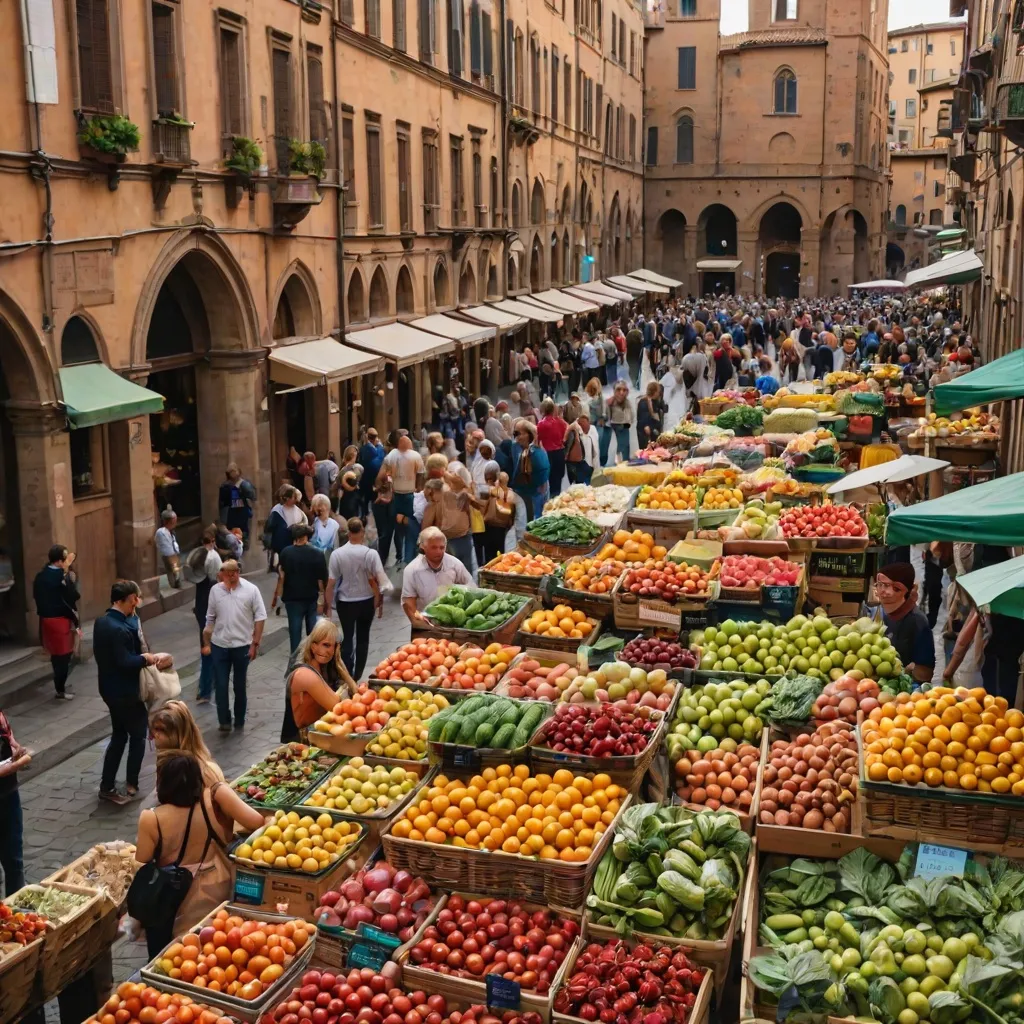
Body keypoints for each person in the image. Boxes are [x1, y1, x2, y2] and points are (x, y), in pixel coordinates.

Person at [134, 753, 265, 959]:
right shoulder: (210, 801)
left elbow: (143, 857)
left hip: (174, 896)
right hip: (216, 884)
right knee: (218, 947)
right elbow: (257, 822)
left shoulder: (151, 818)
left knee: (180, 955)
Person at [94, 580, 170, 805]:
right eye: (132, 600)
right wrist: (144, 659)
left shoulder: (102, 622)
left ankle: (107, 784)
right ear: (120, 601)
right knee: (137, 736)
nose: (136, 603)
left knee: (118, 735)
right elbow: (124, 661)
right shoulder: (118, 629)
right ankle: (131, 783)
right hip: (126, 692)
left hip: (109, 689)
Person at [202, 560, 267, 733]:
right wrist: (206, 641)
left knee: (239, 685)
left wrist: (255, 643)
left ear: (239, 572)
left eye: (235, 573)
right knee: (221, 685)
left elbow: (260, 617)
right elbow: (210, 617)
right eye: (228, 574)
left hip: (242, 646)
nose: (232, 577)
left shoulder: (251, 590)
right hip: (219, 645)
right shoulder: (215, 591)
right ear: (221, 574)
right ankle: (224, 720)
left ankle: (239, 718)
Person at [325, 518, 392, 679]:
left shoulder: (337, 554)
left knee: (347, 636)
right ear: (362, 532)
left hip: (345, 602)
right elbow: (381, 580)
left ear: (348, 533)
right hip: (366, 600)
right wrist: (379, 600)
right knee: (363, 638)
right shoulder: (371, 554)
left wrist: (328, 605)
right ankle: (358, 674)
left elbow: (331, 583)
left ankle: (347, 670)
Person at [281, 619, 355, 742]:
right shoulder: (304, 674)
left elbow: (353, 693)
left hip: (318, 736)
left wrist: (338, 664)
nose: (328, 651)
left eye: (333, 646)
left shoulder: (326, 667)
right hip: (301, 744)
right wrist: (339, 665)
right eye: (325, 644)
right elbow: (338, 707)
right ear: (313, 647)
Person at [874, 563, 935, 685]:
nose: (883, 591)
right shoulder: (879, 612)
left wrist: (905, 673)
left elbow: (925, 672)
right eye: (880, 585)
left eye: (889, 586)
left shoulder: (917, 621)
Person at [401, 527, 473, 629]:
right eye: (433, 547)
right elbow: (408, 601)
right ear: (423, 547)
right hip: (426, 623)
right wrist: (417, 620)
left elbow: (471, 586)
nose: (439, 551)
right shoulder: (412, 570)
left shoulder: (454, 564)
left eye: (442, 547)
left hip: (454, 622)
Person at [33, 544, 80, 701]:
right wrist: (67, 575)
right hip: (60, 619)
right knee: (64, 656)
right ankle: (60, 688)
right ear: (60, 561)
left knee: (56, 655)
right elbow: (73, 596)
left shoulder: (40, 576)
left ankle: (60, 685)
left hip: (46, 619)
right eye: (66, 558)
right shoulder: (60, 577)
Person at [272, 524, 328, 652]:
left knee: (295, 635)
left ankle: (295, 663)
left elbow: (282, 576)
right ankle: (312, 661)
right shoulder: (317, 554)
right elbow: (321, 580)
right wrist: (322, 599)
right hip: (311, 598)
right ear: (306, 536)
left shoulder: (286, 553)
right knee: (313, 635)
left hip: (292, 599)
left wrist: (277, 596)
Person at [183, 528, 222, 704]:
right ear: (212, 540)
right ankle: (207, 687)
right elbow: (216, 579)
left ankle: (205, 686)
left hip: (201, 603)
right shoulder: (214, 557)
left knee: (205, 646)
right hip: (209, 603)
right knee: (210, 648)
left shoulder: (197, 556)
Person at [149, 700, 225, 786]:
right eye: (155, 729)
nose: (156, 735)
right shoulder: (165, 762)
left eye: (162, 730)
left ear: (179, 732)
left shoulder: (204, 771)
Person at [380, 432, 425, 571]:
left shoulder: (393, 455)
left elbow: (385, 475)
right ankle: (405, 556)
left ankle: (403, 556)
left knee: (400, 526)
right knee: (408, 526)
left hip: (400, 494)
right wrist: (419, 490)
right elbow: (421, 474)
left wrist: (387, 485)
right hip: (407, 494)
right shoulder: (413, 456)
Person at [0, 707, 29, 895]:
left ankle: (16, 918)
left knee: (14, 862)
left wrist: (16, 749)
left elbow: (8, 739)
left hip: (8, 796)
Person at [421, 475, 474, 572]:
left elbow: (426, 527)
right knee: (466, 571)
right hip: (465, 537)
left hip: (446, 541)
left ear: (432, 491)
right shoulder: (458, 497)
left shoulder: (433, 505)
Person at [510, 418, 550, 520]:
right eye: (515, 433)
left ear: (529, 434)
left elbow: (544, 470)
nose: (517, 437)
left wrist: (541, 486)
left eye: (519, 433)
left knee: (536, 520)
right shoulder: (515, 447)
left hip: (535, 493)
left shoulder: (536, 452)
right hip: (521, 491)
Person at [264, 485, 307, 569]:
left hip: (293, 543)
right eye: (294, 497)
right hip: (281, 544)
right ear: (287, 498)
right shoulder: (277, 510)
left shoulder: (297, 510)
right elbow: (269, 527)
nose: (296, 500)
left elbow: (304, 521)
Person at [479, 462, 513, 561]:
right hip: (502, 527)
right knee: (500, 550)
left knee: (489, 550)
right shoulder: (511, 494)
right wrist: (510, 523)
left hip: (490, 524)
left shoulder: (491, 491)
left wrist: (483, 516)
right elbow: (513, 512)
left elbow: (483, 506)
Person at [218, 464, 256, 548]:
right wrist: (223, 518)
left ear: (238, 471)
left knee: (244, 535)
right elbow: (222, 503)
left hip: (242, 514)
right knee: (232, 538)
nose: (233, 473)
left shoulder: (245, 484)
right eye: (231, 471)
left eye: (234, 471)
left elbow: (252, 497)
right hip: (231, 515)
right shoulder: (225, 486)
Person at [537, 398, 567, 498]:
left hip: (548, 454)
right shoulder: (561, 422)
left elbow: (538, 440)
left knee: (550, 480)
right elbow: (564, 437)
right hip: (560, 453)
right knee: (558, 480)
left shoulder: (541, 424)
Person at [564, 411, 599, 485]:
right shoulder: (573, 433)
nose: (587, 431)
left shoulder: (592, 430)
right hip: (577, 466)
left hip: (588, 464)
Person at [358, 428, 386, 519]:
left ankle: (364, 515)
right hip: (376, 480)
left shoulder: (363, 449)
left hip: (365, 479)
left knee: (365, 500)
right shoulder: (381, 449)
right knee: (375, 501)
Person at [606, 382, 634, 462]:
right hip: (615, 425)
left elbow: (630, 414)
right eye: (618, 390)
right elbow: (607, 416)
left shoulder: (627, 402)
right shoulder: (610, 402)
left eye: (624, 390)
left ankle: (624, 461)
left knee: (625, 445)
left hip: (625, 425)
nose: (621, 392)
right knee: (618, 446)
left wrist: (629, 422)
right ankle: (618, 462)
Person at [155, 508, 183, 588]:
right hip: (168, 555)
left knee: (176, 571)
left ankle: (177, 582)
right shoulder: (161, 532)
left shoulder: (171, 531)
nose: (175, 523)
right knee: (171, 570)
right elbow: (166, 547)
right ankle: (174, 584)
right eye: (173, 521)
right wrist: (173, 557)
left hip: (174, 553)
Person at [636, 382, 665, 446]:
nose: (659, 393)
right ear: (654, 392)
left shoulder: (654, 401)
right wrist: (647, 427)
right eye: (658, 391)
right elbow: (644, 418)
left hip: (654, 432)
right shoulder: (644, 402)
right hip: (647, 435)